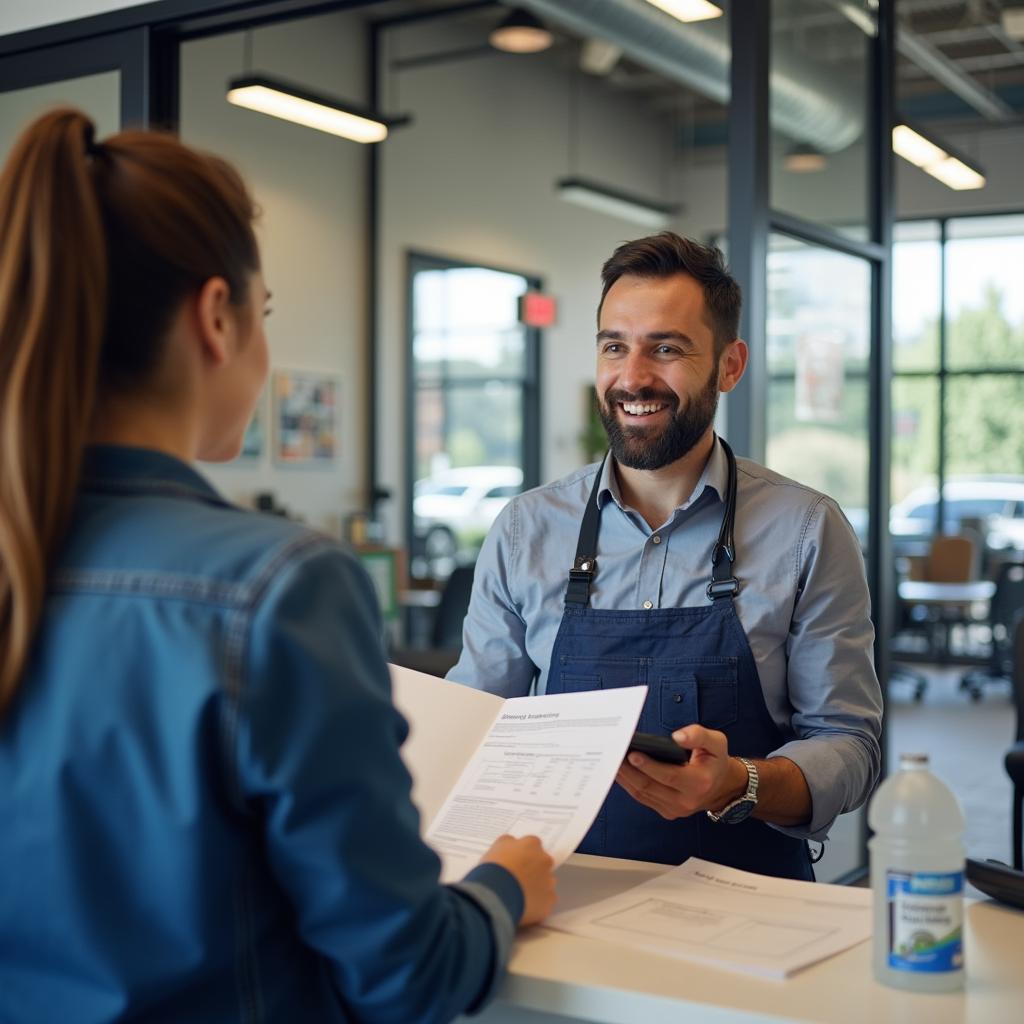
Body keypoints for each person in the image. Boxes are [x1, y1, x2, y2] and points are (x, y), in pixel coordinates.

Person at [0, 109, 555, 1024]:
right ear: (215, 318)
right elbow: (407, 973)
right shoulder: (276, 589)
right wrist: (504, 884)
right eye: (262, 315)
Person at [448, 232, 883, 881]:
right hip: (558, 907)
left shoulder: (806, 531)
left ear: (729, 366)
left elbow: (851, 747)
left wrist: (736, 783)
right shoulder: (525, 532)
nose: (633, 377)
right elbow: (472, 728)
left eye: (667, 348)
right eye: (614, 347)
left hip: (751, 919)